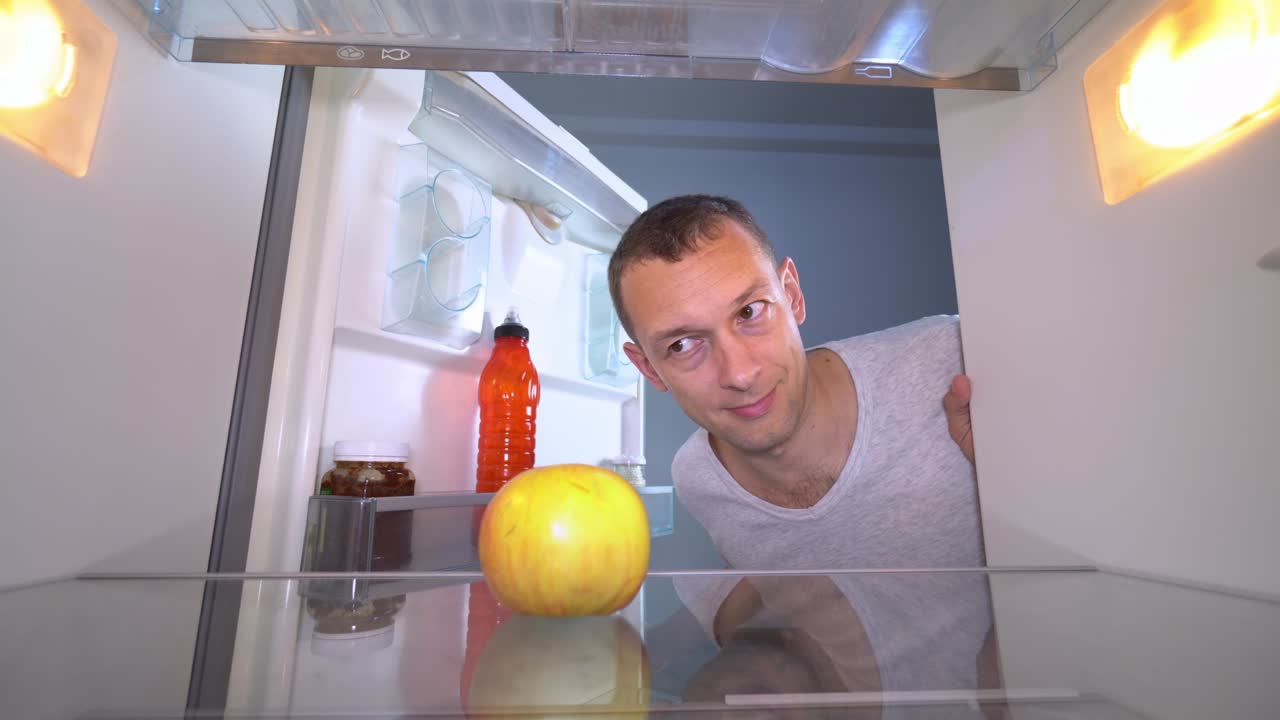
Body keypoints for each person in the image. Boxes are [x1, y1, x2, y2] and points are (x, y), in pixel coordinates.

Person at [608, 194, 998, 712]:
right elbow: (791, 599)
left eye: (750, 312)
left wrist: (1022, 473)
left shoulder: (954, 358)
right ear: (648, 368)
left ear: (791, 295)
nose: (739, 373)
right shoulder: (699, 477)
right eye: (682, 345)